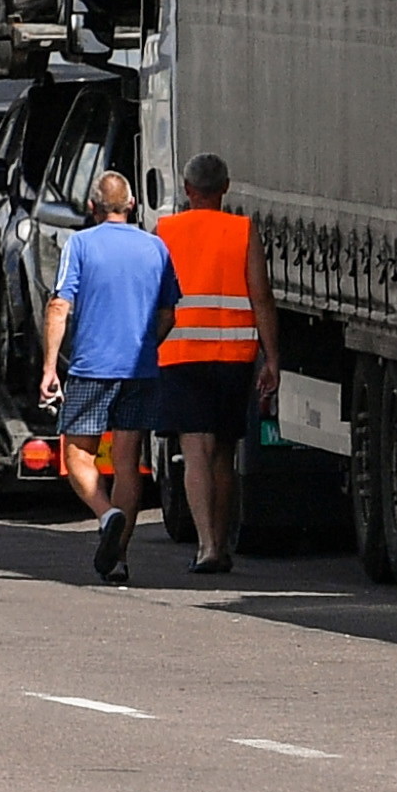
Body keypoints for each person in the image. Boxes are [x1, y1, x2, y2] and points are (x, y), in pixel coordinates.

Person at [43, 166, 176, 585]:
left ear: (92, 206)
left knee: (77, 454)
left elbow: (59, 306)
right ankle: (118, 558)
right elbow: (169, 314)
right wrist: (145, 346)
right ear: (132, 204)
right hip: (140, 370)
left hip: (92, 369)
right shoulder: (156, 247)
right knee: (126, 462)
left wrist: (49, 367)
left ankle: (106, 514)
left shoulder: (80, 244)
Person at [153, 156, 277, 580]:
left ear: (187, 189)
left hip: (181, 354)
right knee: (223, 452)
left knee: (195, 453)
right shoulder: (242, 231)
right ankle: (221, 544)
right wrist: (272, 358)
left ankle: (206, 545)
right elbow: (261, 297)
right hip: (233, 356)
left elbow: (156, 298)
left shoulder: (165, 232)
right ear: (225, 188)